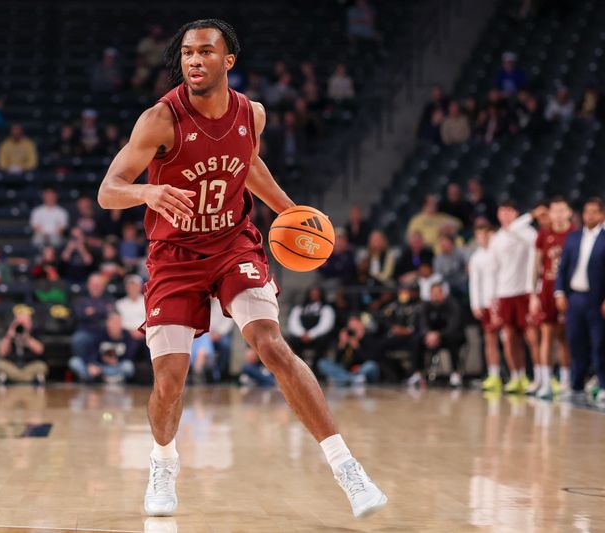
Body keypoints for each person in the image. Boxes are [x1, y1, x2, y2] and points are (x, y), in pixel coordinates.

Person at [96, 19, 386, 521]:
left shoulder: (251, 113)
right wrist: (148, 191)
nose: (194, 60)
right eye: (187, 53)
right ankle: (163, 461)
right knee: (170, 377)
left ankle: (346, 467)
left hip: (234, 244)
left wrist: (293, 213)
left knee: (271, 343)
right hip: (175, 256)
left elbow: (247, 164)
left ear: (228, 60)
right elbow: (108, 190)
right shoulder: (160, 120)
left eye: (206, 52)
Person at [555, 198, 605, 409]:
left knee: (600, 343)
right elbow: (562, 268)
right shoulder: (572, 238)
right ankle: (576, 385)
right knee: (575, 341)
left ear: (602, 215)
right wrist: (560, 292)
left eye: (594, 212)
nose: (589, 216)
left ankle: (602, 385)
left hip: (597, 299)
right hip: (575, 296)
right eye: (586, 211)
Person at [490, 202, 539, 394]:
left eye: (509, 211)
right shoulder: (497, 239)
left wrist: (526, 218)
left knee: (531, 336)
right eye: (502, 211)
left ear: (516, 213)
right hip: (504, 293)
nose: (505, 215)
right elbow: (494, 270)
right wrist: (493, 299)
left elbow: (536, 248)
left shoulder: (526, 232)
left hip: (524, 292)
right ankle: (517, 377)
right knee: (509, 337)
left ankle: (539, 376)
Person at [530, 196, 573, 399]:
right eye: (553, 211)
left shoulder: (575, 234)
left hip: (569, 292)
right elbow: (536, 265)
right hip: (547, 290)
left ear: (568, 212)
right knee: (546, 335)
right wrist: (533, 294)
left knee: (565, 337)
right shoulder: (543, 235)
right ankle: (546, 382)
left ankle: (566, 381)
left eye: (561, 210)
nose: (557, 215)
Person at [468, 222, 502, 392]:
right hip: (486, 303)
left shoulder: (498, 253)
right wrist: (475, 304)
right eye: (478, 235)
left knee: (512, 338)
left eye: (485, 234)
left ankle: (519, 374)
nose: (482, 238)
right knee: (490, 339)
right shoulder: (476, 257)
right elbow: (474, 283)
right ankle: (494, 375)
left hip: (502, 300)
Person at [411, 282, 465, 387]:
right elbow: (422, 324)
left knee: (453, 340)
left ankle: (455, 373)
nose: (435, 295)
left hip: (449, 336)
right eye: (433, 293)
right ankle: (417, 373)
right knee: (416, 340)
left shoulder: (452, 304)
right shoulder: (426, 306)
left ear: (443, 293)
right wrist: (428, 334)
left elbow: (454, 326)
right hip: (431, 338)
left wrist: (438, 334)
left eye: (438, 292)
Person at [68, 311, 136, 384]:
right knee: (74, 362)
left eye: (119, 322)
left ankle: (99, 378)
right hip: (100, 366)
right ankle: (107, 378)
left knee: (128, 366)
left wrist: (116, 360)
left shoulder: (127, 336)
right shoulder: (99, 334)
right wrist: (92, 364)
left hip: (116, 366)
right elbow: (91, 352)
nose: (117, 325)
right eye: (114, 322)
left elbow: (129, 356)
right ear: (108, 323)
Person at [71, 273, 115, 367]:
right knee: (78, 339)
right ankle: (88, 366)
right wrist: (101, 311)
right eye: (94, 285)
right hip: (86, 330)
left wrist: (93, 311)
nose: (96, 287)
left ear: (103, 286)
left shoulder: (109, 298)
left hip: (105, 332)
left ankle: (106, 369)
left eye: (99, 285)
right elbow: (79, 315)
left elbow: (111, 313)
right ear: (88, 285)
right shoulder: (81, 300)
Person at [0, 306, 47, 386]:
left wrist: (27, 338)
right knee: (0, 364)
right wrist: (9, 336)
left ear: (30, 323)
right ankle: (26, 379)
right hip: (13, 366)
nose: (22, 325)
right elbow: (2, 353)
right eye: (20, 322)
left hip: (29, 366)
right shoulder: (9, 334)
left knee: (41, 366)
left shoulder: (35, 334)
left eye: (25, 322)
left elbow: (40, 350)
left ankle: (17, 379)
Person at [287, 286, 336, 369]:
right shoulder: (299, 308)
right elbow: (293, 323)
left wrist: (311, 335)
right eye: (312, 294)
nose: (314, 295)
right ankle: (300, 367)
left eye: (316, 294)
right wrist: (302, 333)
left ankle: (316, 369)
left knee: (323, 341)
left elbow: (325, 325)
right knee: (292, 341)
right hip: (302, 336)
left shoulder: (326, 308)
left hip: (317, 337)